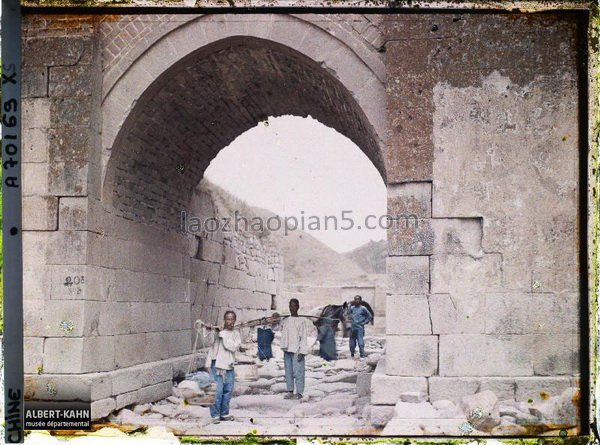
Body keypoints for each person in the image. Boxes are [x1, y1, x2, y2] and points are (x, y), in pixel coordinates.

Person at [203, 310, 242, 423]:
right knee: (217, 391)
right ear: (224, 320)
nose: (230, 321)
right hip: (217, 365)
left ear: (235, 320)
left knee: (228, 390)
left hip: (229, 365)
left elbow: (233, 347)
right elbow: (208, 341)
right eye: (228, 319)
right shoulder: (218, 332)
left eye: (232, 319)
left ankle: (224, 413)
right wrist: (209, 330)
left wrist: (223, 335)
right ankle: (215, 415)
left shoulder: (236, 333)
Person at [278, 298, 312, 400]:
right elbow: (276, 327)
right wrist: (275, 317)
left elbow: (304, 338)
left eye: (294, 306)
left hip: (297, 350)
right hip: (287, 349)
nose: (292, 308)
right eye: (290, 306)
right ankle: (290, 391)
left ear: (298, 307)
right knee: (288, 371)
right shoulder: (285, 320)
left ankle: (299, 392)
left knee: (298, 372)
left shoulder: (301, 321)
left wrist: (302, 351)